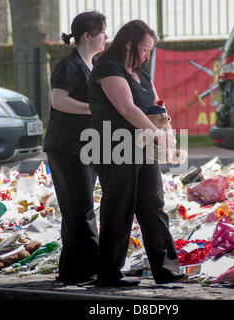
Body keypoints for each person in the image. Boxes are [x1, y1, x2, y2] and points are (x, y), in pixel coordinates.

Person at [87, 19, 187, 287]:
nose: (147, 55)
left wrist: (168, 130)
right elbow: (126, 108)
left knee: (153, 207)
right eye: (144, 49)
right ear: (129, 44)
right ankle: (109, 273)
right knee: (119, 208)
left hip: (143, 149)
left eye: (150, 50)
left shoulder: (140, 72)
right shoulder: (108, 66)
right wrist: (155, 133)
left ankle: (167, 270)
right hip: (114, 147)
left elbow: (156, 106)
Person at [43, 10, 108, 285]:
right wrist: (94, 109)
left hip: (82, 145)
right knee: (80, 209)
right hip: (66, 147)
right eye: (103, 31)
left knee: (77, 209)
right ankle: (89, 268)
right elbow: (59, 101)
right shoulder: (68, 66)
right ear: (87, 36)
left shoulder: (91, 64)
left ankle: (73, 270)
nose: (106, 37)